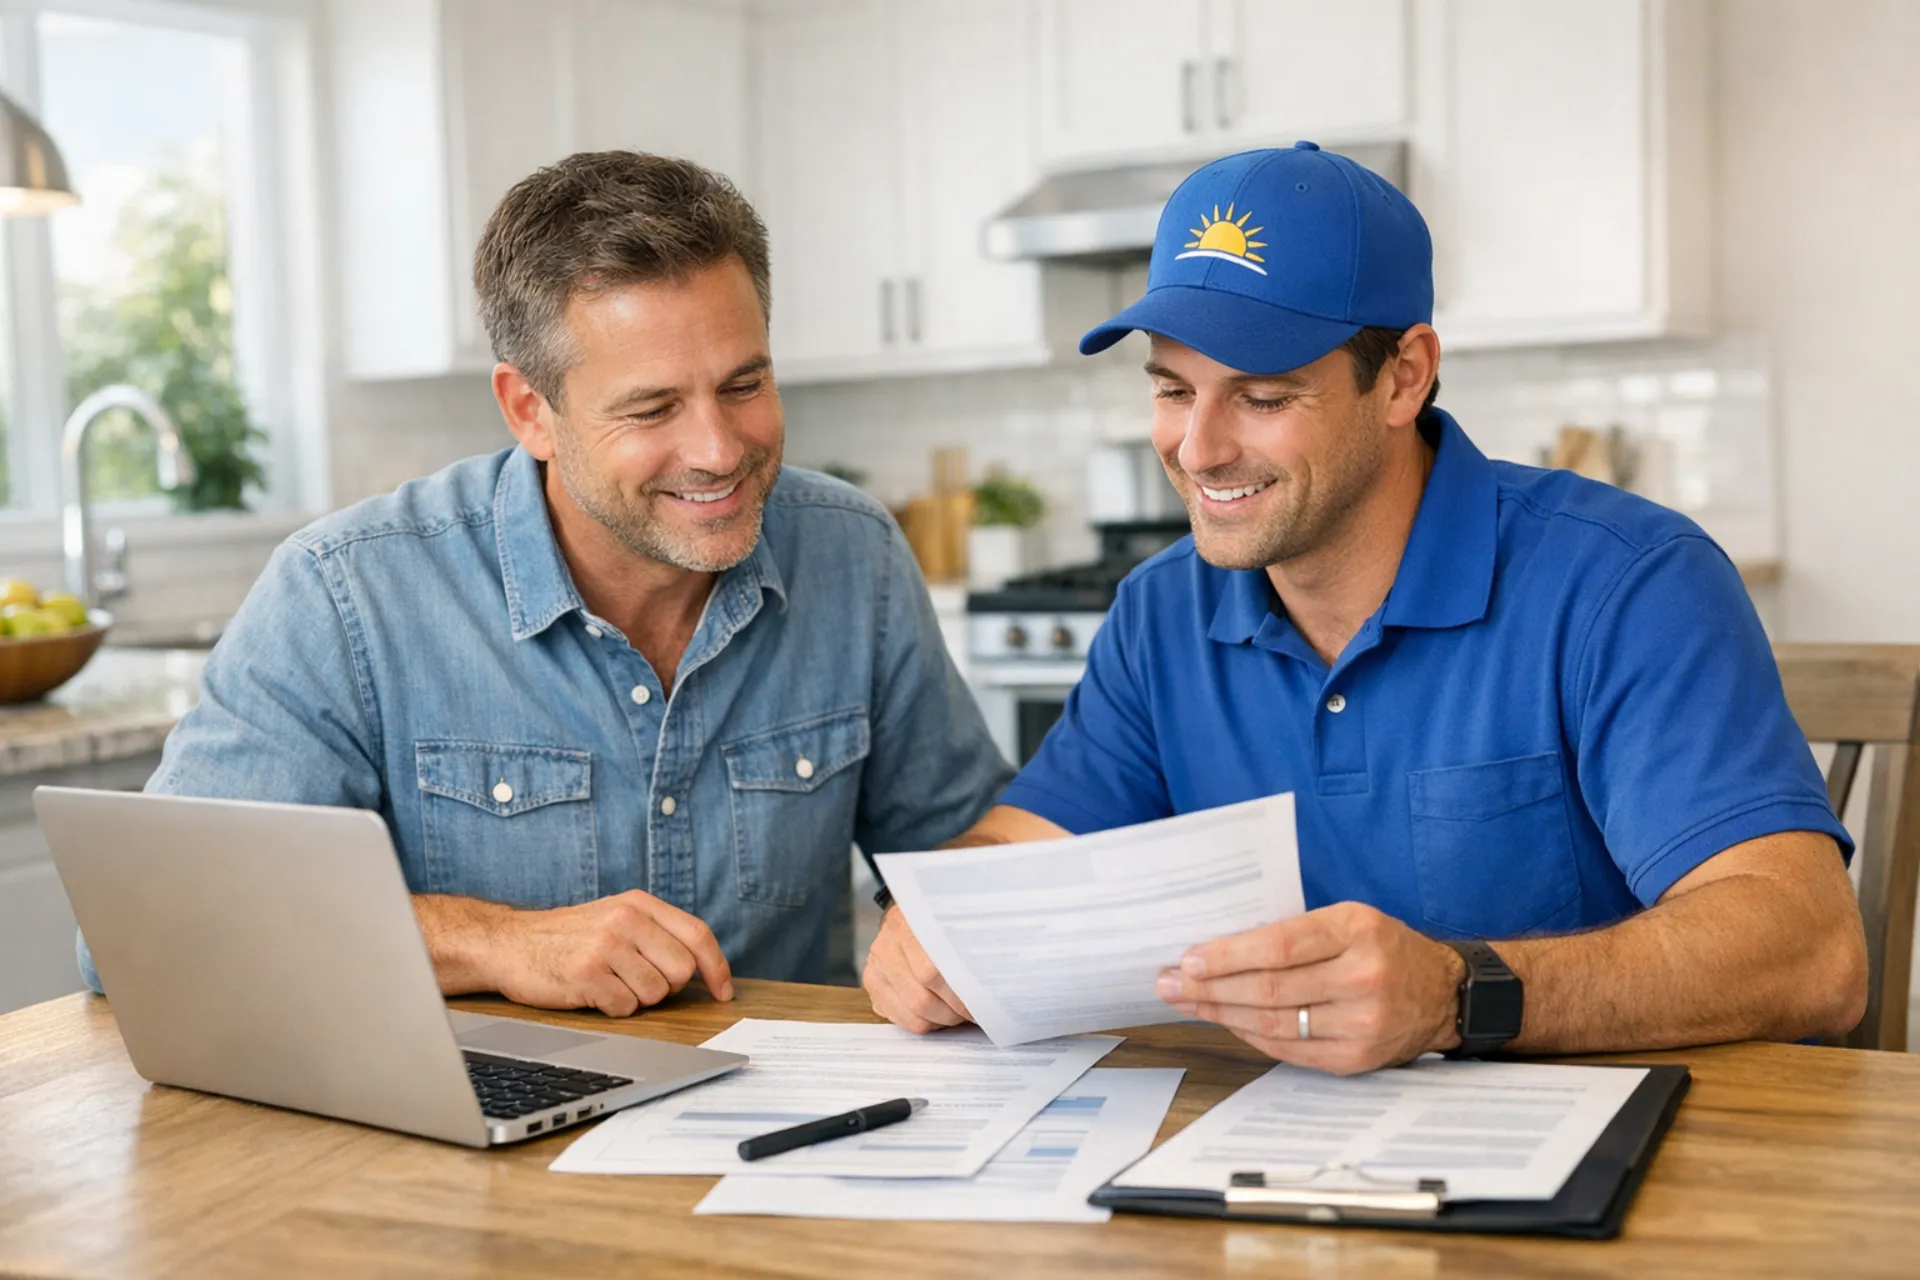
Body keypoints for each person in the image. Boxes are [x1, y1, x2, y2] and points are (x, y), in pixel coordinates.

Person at [864, 143, 1867, 1073]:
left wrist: (1454, 993)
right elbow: (1019, 847)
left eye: (1260, 397)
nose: (1197, 448)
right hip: (1266, 1180)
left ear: (1404, 377)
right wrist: (935, 917)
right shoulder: (1161, 610)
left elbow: (1812, 950)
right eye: (1173, 388)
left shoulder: (1627, 584)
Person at [79, 152, 1012, 1014]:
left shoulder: (852, 553)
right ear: (531, 410)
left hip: (789, 1135)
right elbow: (144, 932)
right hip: (474, 1150)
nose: (720, 451)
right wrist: (494, 944)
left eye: (743, 384)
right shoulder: (348, 595)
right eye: (653, 407)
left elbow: (970, 853)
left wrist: (965, 928)